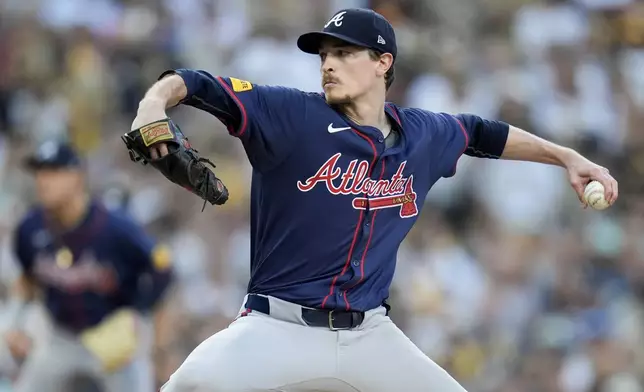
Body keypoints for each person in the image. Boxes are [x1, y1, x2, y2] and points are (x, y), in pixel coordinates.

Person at [130, 8, 618, 392]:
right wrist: (153, 103)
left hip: (369, 336)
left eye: (344, 53)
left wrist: (566, 156)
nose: (328, 64)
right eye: (324, 55)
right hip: (276, 327)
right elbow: (198, 84)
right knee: (188, 386)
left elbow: (481, 133)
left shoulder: (422, 133)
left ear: (383, 63)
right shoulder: (290, 114)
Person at [3, 140, 173, 392]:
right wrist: (15, 323)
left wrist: (143, 321)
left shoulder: (115, 228)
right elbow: (27, 279)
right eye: (39, 171)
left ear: (77, 176)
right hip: (61, 338)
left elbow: (163, 269)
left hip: (113, 337)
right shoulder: (30, 227)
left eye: (53, 171)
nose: (42, 180)